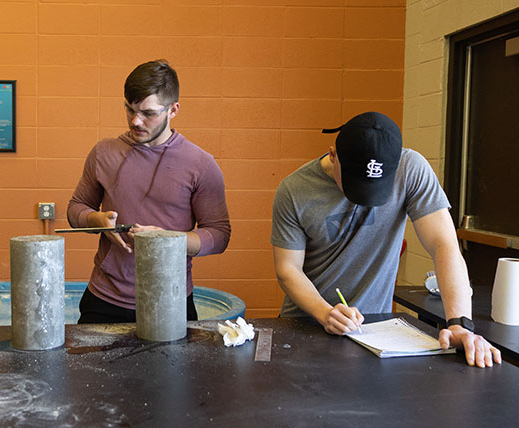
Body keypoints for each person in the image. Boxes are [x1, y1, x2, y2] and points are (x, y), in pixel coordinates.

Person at [271, 111, 501, 367]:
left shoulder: (411, 169)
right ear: (333, 155)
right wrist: (325, 313)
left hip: (375, 334)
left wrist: (459, 324)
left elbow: (443, 244)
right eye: (355, 183)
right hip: (306, 324)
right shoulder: (293, 190)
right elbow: (288, 269)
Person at [68, 60, 231, 323]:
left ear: (173, 109)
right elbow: (76, 209)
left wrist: (170, 240)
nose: (136, 121)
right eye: (129, 109)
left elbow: (219, 235)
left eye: (148, 113)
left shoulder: (201, 164)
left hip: (171, 299)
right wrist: (96, 221)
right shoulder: (103, 153)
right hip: (104, 300)